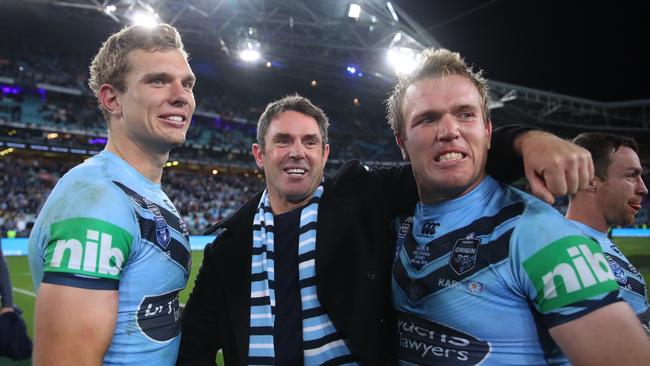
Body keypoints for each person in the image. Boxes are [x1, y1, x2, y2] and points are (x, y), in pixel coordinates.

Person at [178, 93, 594, 365]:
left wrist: (526, 141)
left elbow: (446, 159)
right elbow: (196, 343)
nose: (296, 153)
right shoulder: (228, 245)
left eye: (308, 142)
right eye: (283, 141)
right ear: (259, 154)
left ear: (325, 154)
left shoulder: (363, 197)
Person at [387, 48, 650, 365]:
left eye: (465, 114)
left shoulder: (539, 234)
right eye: (427, 119)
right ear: (402, 142)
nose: (449, 131)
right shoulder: (393, 218)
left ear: (487, 132)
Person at [28, 23, 195, 366]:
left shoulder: (142, 191)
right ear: (112, 99)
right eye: (158, 80)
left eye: (188, 83)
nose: (182, 95)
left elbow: (143, 312)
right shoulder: (97, 198)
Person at [566, 133, 649, 334]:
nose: (643, 188)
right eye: (631, 175)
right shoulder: (568, 254)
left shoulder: (597, 240)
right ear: (590, 181)